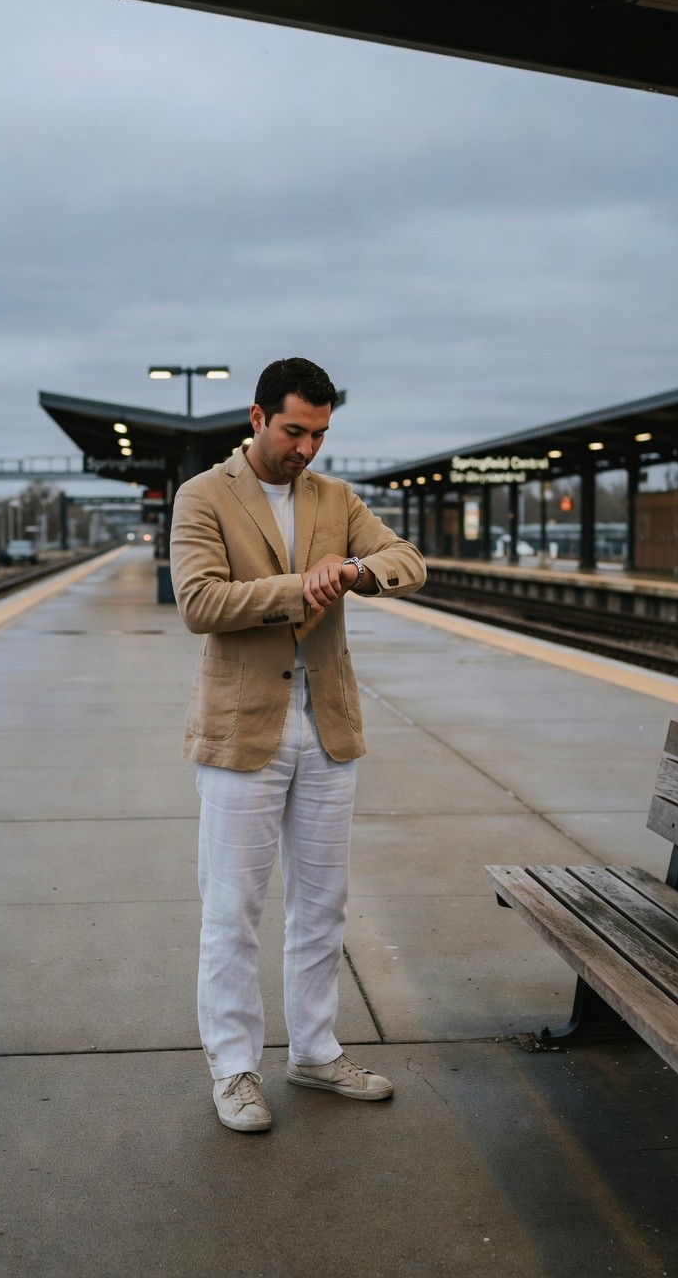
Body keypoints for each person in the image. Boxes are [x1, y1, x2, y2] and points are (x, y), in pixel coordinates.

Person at [170, 357, 427, 1132]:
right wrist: (302, 587)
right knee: (233, 910)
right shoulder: (203, 496)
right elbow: (198, 600)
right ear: (256, 419)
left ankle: (315, 1053)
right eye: (294, 431)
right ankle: (235, 1070)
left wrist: (350, 568)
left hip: (326, 729)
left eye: (320, 433)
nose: (307, 448)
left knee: (322, 906)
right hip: (243, 732)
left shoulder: (336, 499)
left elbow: (407, 561)